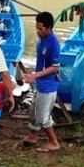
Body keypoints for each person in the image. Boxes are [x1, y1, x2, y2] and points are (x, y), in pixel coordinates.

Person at [23, 11, 61, 152]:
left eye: (40, 29)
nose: (37, 31)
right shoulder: (41, 41)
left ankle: (53, 142)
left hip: (48, 86)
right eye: (36, 28)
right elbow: (41, 63)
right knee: (33, 111)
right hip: (40, 83)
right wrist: (33, 75)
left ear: (49, 28)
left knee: (43, 116)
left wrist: (36, 75)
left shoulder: (53, 43)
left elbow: (55, 67)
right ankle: (33, 136)